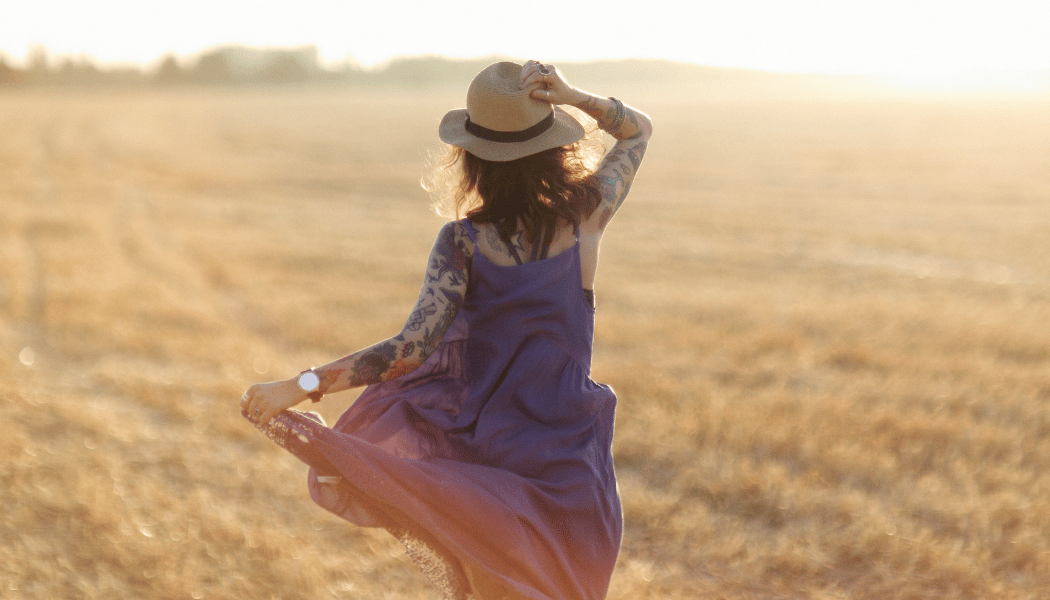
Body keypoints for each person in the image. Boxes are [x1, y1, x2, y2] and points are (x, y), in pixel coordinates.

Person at [241, 60, 652, 600]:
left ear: (471, 159)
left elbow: (408, 351)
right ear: (554, 148)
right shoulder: (587, 216)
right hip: (570, 456)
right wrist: (574, 95)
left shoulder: (462, 243)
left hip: (483, 457)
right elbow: (638, 130)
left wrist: (299, 386)